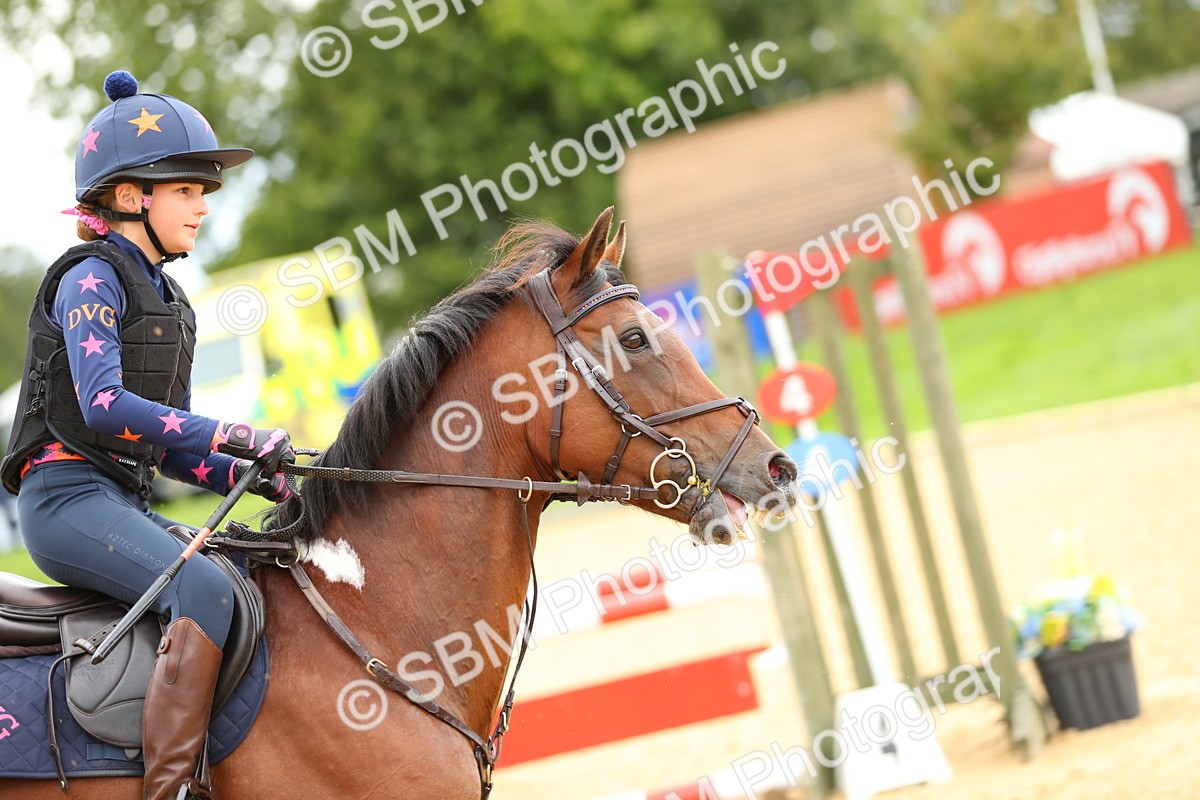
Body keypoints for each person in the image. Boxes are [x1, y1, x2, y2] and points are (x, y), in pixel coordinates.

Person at [0, 70, 293, 800]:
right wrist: (232, 431)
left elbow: (165, 449)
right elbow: (102, 405)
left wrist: (250, 472)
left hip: (118, 500)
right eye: (188, 191)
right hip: (64, 502)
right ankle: (172, 790)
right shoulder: (90, 280)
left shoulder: (173, 303)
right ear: (134, 197)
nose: (203, 208)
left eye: (204, 193)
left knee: (238, 569)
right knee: (201, 585)